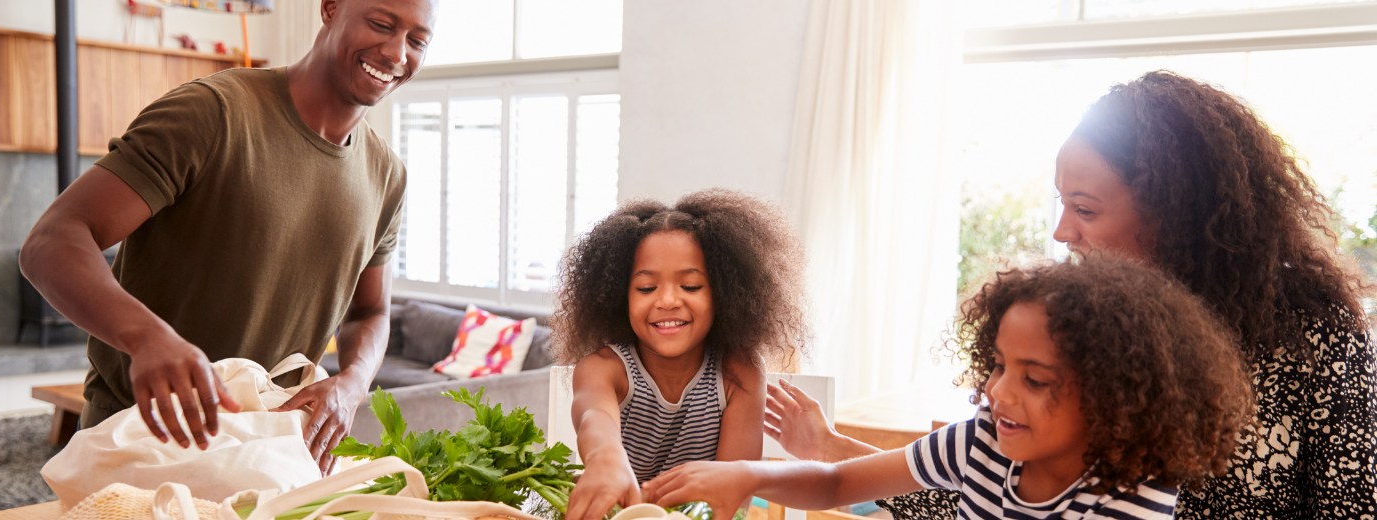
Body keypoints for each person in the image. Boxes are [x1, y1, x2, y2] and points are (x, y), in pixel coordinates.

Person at [767, 70, 1377, 518]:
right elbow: (990, 498)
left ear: (1176, 214)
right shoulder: (1085, 338)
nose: (1062, 233)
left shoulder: (1313, 335)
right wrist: (833, 458)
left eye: (1084, 208)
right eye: (1062, 204)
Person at [18, 0, 436, 475]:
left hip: (270, 457)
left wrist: (353, 383)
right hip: (142, 446)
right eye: (381, 24)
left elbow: (370, 311)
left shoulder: (387, 175)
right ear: (331, 8)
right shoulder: (213, 113)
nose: (397, 52)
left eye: (418, 41)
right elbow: (51, 242)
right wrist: (147, 338)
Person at [647, 256, 1254, 520]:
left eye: (1035, 380)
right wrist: (748, 476)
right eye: (997, 367)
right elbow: (837, 481)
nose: (999, 394)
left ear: (1116, 398)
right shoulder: (981, 442)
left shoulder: (1127, 499)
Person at [552, 189, 808, 520]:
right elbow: (593, 417)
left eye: (690, 286)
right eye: (646, 288)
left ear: (725, 294)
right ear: (619, 295)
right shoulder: (604, 369)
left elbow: (731, 496)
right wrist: (605, 457)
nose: (669, 301)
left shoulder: (738, 372)